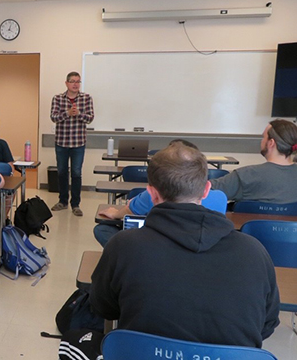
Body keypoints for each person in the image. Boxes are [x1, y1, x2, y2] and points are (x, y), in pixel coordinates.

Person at [89, 144, 280, 353]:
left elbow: (103, 307)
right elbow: (267, 324)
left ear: (151, 194)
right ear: (207, 190)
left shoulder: (122, 245)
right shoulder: (254, 251)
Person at [93, 140, 228, 247]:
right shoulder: (220, 198)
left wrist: (116, 213)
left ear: (153, 194)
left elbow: (130, 209)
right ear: (206, 189)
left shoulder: (148, 198)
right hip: (201, 252)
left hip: (153, 247)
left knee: (103, 229)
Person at [211, 119, 297, 207]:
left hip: (251, 231)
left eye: (263, 137)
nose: (261, 141)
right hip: (294, 231)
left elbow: (207, 190)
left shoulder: (246, 174)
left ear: (271, 143)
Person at [50, 71, 94, 216]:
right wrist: (67, 113)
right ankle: (62, 201)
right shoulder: (57, 98)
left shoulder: (86, 98)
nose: (75, 84)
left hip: (78, 143)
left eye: (78, 81)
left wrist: (79, 114)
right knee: (62, 172)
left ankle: (75, 204)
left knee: (76, 173)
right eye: (73, 81)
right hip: (61, 142)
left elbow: (90, 118)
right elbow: (54, 117)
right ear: (66, 83)